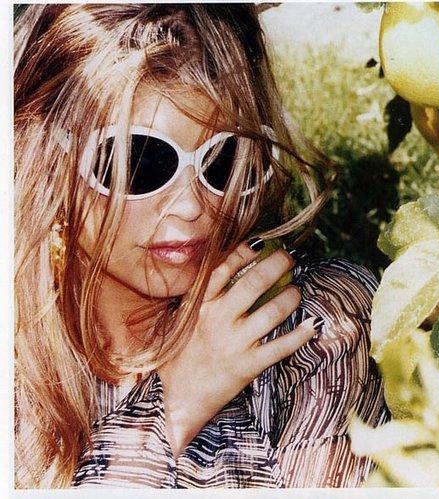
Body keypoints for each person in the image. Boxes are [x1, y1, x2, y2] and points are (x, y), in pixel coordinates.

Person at [14, 4, 390, 489]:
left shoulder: (314, 329)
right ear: (46, 158)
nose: (193, 206)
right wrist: (174, 409)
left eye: (224, 158)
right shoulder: (20, 363)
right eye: (141, 160)